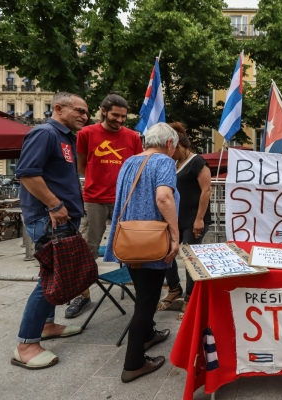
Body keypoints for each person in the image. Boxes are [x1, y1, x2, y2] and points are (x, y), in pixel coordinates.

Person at [12, 92, 89, 369]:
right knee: (50, 277)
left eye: (86, 112)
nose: (85, 116)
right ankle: (26, 344)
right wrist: (55, 206)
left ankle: (47, 325)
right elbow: (28, 174)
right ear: (58, 108)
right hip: (50, 219)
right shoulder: (45, 133)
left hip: (61, 218)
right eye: (79, 110)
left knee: (56, 275)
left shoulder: (66, 137)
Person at [103, 123, 180, 383]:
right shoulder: (163, 162)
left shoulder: (129, 161)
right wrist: (175, 235)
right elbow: (163, 198)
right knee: (146, 303)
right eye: (175, 146)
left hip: (129, 239)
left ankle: (148, 336)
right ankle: (133, 363)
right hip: (152, 241)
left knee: (143, 294)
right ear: (169, 144)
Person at [67, 93, 143, 319]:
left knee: (133, 246)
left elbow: (137, 167)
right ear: (103, 111)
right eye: (115, 115)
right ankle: (83, 294)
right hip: (95, 198)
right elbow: (81, 165)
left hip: (125, 199)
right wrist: (97, 182)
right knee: (88, 247)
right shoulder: (86, 133)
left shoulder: (133, 136)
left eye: (123, 116)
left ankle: (139, 288)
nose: (120, 120)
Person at [157, 122, 212, 320]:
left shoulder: (198, 162)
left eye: (171, 148)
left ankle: (190, 297)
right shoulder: (173, 163)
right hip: (175, 218)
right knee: (166, 253)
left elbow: (206, 191)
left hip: (194, 219)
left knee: (189, 258)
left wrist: (199, 219)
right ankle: (174, 289)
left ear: (179, 145)